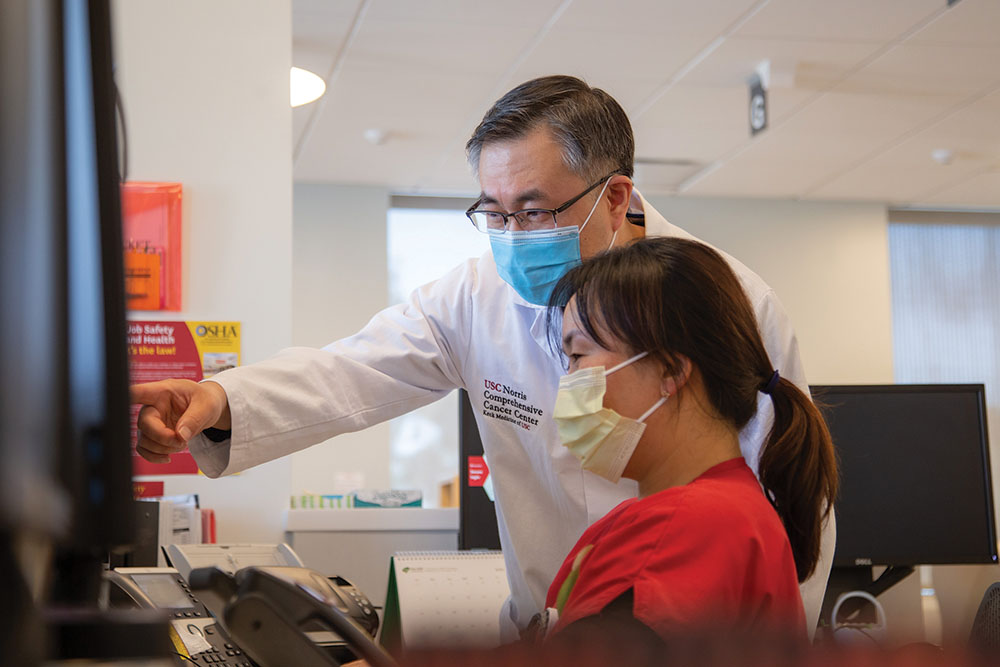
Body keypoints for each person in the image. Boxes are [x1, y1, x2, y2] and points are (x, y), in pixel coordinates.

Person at [131, 75, 834, 638]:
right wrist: (220, 401)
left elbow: (791, 499)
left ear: (615, 197)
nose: (510, 235)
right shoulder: (474, 297)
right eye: (492, 212)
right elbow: (354, 370)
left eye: (532, 210)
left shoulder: (724, 296)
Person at [534, 236, 837, 641]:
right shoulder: (720, 512)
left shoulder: (685, 528)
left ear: (671, 371)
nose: (567, 382)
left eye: (579, 356)